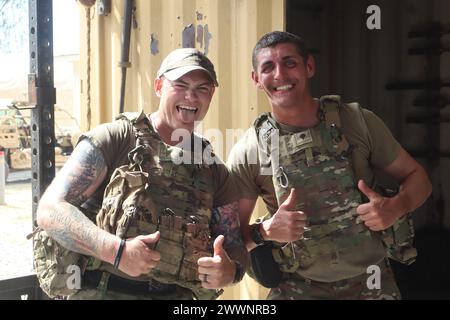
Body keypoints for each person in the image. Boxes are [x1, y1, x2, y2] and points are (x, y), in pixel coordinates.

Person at [227, 31, 432, 300]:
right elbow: (229, 237)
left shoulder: (357, 122)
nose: (280, 75)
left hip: (371, 283)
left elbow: (419, 179)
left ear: (309, 66)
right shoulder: (250, 149)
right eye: (268, 67)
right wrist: (265, 231)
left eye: (290, 62)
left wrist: (396, 207)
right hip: (295, 288)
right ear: (256, 79)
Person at [35, 48, 247, 300]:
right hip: (104, 291)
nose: (191, 96)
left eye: (202, 88)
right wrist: (117, 252)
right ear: (159, 86)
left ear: (211, 94)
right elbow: (50, 210)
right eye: (180, 84)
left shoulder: (212, 169)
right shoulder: (117, 138)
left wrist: (230, 271)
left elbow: (234, 244)